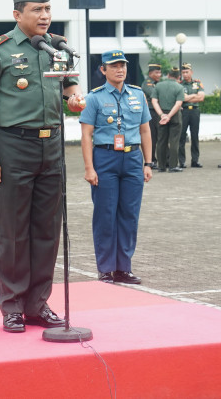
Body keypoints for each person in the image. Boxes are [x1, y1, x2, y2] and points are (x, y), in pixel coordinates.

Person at [0, 0, 85, 334]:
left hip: (51, 146)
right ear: (18, 13)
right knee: (14, 232)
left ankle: (38, 304)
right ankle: (13, 306)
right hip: (13, 146)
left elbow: (69, 84)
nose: (45, 15)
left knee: (47, 230)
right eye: (37, 9)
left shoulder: (56, 46)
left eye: (48, 8)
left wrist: (75, 97)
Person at [80, 50, 153, 285]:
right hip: (105, 158)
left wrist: (148, 163)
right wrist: (89, 168)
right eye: (113, 66)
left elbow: (144, 130)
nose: (119, 69)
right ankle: (106, 268)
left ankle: (124, 268)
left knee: (129, 215)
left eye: (122, 65)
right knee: (105, 214)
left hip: (132, 159)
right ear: (103, 70)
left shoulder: (138, 95)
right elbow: (86, 134)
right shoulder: (94, 97)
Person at [151, 67, 184, 173]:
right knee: (174, 141)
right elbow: (178, 104)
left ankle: (161, 166)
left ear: (168, 75)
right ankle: (173, 165)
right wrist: (169, 116)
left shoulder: (158, 85)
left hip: (161, 115)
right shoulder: (179, 87)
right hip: (174, 115)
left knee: (161, 141)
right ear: (178, 76)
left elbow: (154, 101)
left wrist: (162, 115)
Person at [178, 63, 205, 168]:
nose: (185, 74)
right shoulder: (180, 84)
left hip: (194, 111)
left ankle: (195, 160)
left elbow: (201, 98)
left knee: (195, 136)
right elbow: (182, 98)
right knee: (181, 137)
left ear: (191, 72)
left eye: (187, 72)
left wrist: (188, 97)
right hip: (183, 112)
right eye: (183, 72)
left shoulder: (198, 83)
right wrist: (194, 95)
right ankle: (182, 161)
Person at [141, 63, 162, 169]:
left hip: (157, 112)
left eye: (160, 72)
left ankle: (162, 160)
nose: (159, 74)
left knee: (160, 137)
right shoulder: (148, 84)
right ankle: (152, 160)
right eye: (156, 72)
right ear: (150, 73)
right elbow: (156, 95)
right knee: (152, 137)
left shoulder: (158, 83)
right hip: (150, 112)